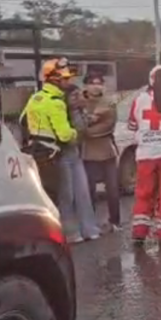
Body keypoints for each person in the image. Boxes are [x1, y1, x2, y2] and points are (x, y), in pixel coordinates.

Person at [128, 65, 161, 243]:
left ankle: (139, 231)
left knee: (144, 193)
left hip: (145, 155)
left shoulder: (139, 99)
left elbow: (132, 126)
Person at [20, 58, 76, 205]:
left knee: (39, 196)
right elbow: (64, 135)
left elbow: (22, 121)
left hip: (34, 151)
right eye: (65, 78)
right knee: (54, 199)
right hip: (50, 156)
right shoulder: (56, 103)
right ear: (55, 80)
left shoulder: (35, 98)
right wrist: (75, 132)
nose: (68, 81)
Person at [61, 80, 101, 243]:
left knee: (82, 192)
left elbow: (82, 130)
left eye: (78, 95)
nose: (77, 98)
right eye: (73, 95)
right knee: (67, 195)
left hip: (75, 154)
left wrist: (82, 111)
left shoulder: (78, 111)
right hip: (62, 154)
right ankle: (71, 232)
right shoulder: (60, 111)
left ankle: (89, 229)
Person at [81, 75, 122, 233]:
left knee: (112, 189)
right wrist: (90, 123)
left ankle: (115, 221)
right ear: (86, 85)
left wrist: (88, 127)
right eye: (92, 83)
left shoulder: (109, 102)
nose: (96, 87)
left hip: (107, 151)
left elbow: (108, 125)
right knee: (88, 190)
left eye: (99, 84)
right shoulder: (79, 102)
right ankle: (91, 225)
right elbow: (77, 124)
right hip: (87, 153)